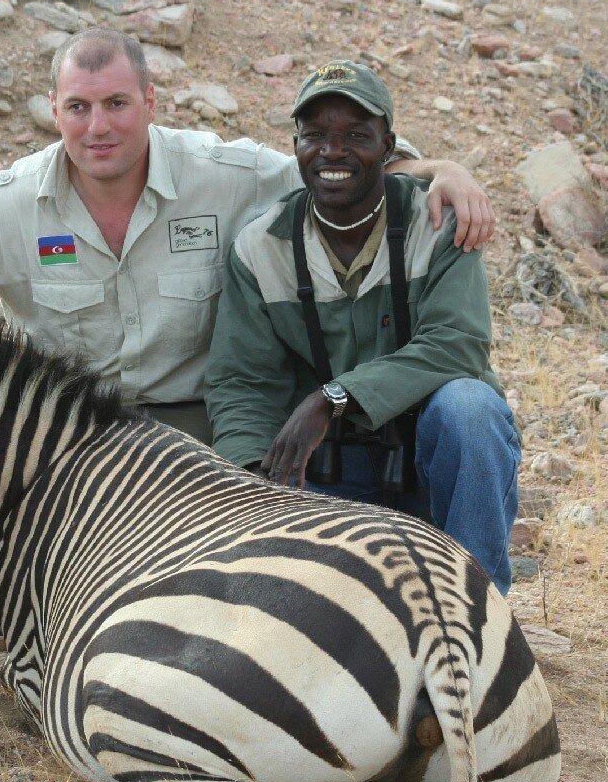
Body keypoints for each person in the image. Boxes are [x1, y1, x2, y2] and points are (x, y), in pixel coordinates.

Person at [0, 30, 497, 649]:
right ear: (54, 111)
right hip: (74, 436)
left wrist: (448, 171)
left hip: (194, 427)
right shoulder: (6, 204)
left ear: (150, 104)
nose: (99, 126)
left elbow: (341, 168)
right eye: (79, 108)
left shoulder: (227, 175)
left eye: (117, 104)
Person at [205, 60, 519, 594]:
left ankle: (481, 608)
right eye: (316, 135)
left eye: (356, 135)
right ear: (297, 145)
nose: (332, 151)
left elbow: (457, 345)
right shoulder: (260, 246)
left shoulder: (441, 222)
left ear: (388, 145)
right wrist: (254, 478)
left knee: (472, 408)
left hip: (425, 458)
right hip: (325, 475)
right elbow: (242, 383)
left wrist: (333, 397)